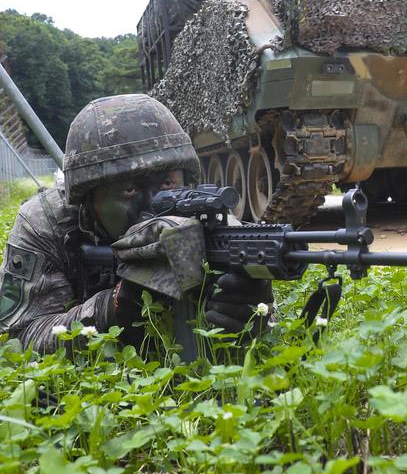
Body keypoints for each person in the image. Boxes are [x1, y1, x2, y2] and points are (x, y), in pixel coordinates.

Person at [0, 94, 273, 353]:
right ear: (88, 197)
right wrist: (113, 307)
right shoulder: (45, 222)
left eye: (167, 184)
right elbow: (21, 338)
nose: (154, 205)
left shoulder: (203, 217)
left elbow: (262, 313)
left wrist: (253, 309)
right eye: (129, 190)